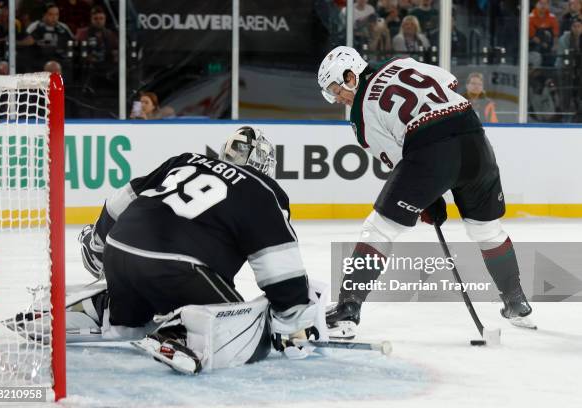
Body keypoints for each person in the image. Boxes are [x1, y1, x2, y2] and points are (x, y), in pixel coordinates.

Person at [316, 46, 534, 339]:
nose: (338, 98)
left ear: (350, 74)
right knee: (487, 229)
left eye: (336, 89)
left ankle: (348, 309)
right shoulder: (401, 61)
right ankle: (516, 301)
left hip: (432, 147)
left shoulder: (360, 114)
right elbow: (450, 83)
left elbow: (399, 159)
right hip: (474, 138)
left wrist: (428, 199)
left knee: (379, 228)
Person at [69, 127, 324, 373]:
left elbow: (121, 199)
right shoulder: (263, 190)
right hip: (176, 268)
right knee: (243, 324)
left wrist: (98, 243)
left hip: (118, 253)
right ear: (265, 164)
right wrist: (293, 318)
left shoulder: (185, 160)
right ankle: (179, 331)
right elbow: (279, 268)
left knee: (132, 324)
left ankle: (108, 309)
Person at [529, 0, 560, 67]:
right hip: (534, 46)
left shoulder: (552, 17)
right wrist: (542, 43)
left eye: (545, 3)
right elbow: (532, 37)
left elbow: (556, 35)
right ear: (536, 4)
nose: (543, 6)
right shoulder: (530, 17)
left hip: (548, 46)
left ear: (548, 5)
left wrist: (555, 45)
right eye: (541, 3)